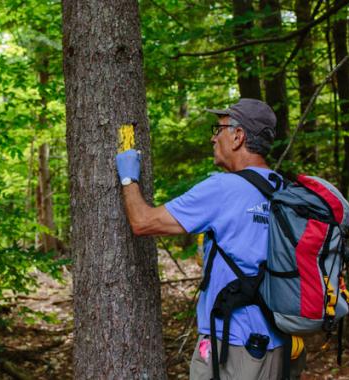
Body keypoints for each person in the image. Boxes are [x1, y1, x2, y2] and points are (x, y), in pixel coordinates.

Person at [115, 98, 303, 379]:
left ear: (238, 136)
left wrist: (129, 179)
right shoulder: (284, 189)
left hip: (236, 345)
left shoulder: (223, 188)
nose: (214, 138)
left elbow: (142, 222)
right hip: (283, 344)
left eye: (219, 128)